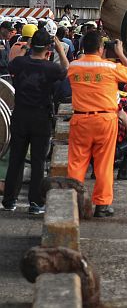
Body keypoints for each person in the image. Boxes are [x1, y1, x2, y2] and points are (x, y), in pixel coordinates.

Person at [66, 32, 127, 218]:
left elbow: (67, 71)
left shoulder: (74, 66)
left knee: (77, 162)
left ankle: (72, 200)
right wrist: (120, 53)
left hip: (80, 119)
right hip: (105, 120)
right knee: (103, 164)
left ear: (82, 46)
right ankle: (102, 205)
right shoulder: (110, 67)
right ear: (101, 48)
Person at [2, 30, 69, 214]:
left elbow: (12, 64)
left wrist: (25, 48)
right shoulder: (51, 68)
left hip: (20, 115)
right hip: (41, 117)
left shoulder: (19, 63)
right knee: (38, 161)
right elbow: (66, 70)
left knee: (16, 158)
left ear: (31, 45)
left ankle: (9, 201)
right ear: (49, 48)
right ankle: (35, 203)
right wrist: (61, 51)